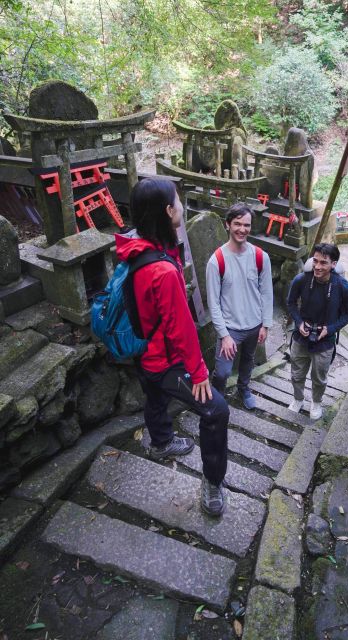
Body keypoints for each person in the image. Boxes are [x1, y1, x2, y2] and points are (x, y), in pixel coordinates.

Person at [116, 177, 229, 517]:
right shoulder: (162, 270)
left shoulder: (135, 247)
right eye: (177, 202)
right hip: (164, 361)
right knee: (216, 411)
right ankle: (212, 483)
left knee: (154, 397)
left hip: (142, 348)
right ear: (167, 211)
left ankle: (162, 442)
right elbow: (181, 328)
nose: (181, 206)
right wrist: (198, 371)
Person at [206, 202, 273, 410]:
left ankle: (244, 388)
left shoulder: (261, 257)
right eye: (237, 224)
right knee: (224, 371)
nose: (242, 229)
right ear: (227, 225)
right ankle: (216, 396)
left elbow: (266, 292)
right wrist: (224, 335)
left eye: (247, 225)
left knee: (248, 360)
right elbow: (213, 303)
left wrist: (266, 324)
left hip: (254, 324)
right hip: (230, 328)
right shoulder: (216, 261)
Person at [286, 242, 348, 420]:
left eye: (324, 262)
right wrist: (299, 322)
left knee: (319, 377)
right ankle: (298, 398)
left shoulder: (344, 287)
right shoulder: (301, 280)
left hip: (325, 341)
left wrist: (330, 329)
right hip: (301, 336)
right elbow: (291, 303)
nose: (317, 266)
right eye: (315, 261)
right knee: (296, 373)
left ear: (333, 264)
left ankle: (316, 402)